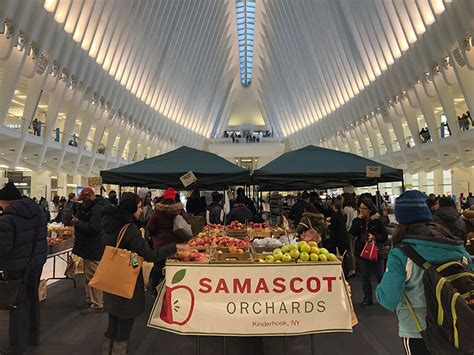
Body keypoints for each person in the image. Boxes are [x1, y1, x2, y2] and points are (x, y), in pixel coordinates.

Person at [376, 190, 473, 355]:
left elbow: (388, 299)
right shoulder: (455, 245)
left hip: (420, 330)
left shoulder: (400, 253)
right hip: (459, 324)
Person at [101, 194, 188, 354]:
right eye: (139, 206)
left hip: (111, 277)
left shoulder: (109, 224)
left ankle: (107, 350)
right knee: (126, 318)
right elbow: (150, 255)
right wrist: (174, 247)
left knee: (113, 317)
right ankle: (119, 351)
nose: (141, 210)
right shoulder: (129, 229)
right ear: (132, 208)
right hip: (127, 278)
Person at [0, 182, 48, 355]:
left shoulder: (7, 220)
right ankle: (33, 337)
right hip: (36, 262)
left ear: (6, 202)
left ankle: (17, 346)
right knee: (32, 298)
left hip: (17, 266)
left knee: (17, 304)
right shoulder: (38, 213)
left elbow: (3, 249)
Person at [71, 187, 110, 315]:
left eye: (83, 200)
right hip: (89, 247)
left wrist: (78, 223)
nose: (82, 202)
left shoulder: (97, 209)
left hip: (94, 247)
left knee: (93, 275)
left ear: (89, 197)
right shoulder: (93, 207)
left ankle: (97, 303)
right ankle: (90, 299)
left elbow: (95, 228)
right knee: (88, 276)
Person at [147, 188, 190, 293]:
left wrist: (155, 235)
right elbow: (187, 222)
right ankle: (177, 288)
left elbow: (150, 227)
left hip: (161, 243)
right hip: (177, 243)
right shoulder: (179, 210)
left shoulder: (157, 211)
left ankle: (154, 287)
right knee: (176, 264)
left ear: (164, 197)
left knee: (158, 265)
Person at [350, 198, 388, 306]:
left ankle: (384, 298)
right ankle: (367, 298)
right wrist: (357, 221)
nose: (361, 210)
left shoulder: (377, 221)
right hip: (362, 252)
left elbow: (384, 236)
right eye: (360, 208)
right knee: (365, 277)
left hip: (376, 252)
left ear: (370, 209)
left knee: (380, 276)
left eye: (364, 208)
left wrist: (374, 237)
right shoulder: (357, 220)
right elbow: (352, 233)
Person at [342, 193, 358, 277]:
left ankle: (352, 269)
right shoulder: (354, 209)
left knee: (350, 251)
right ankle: (353, 268)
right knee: (353, 250)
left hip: (348, 231)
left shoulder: (346, 209)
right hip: (354, 231)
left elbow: (346, 222)